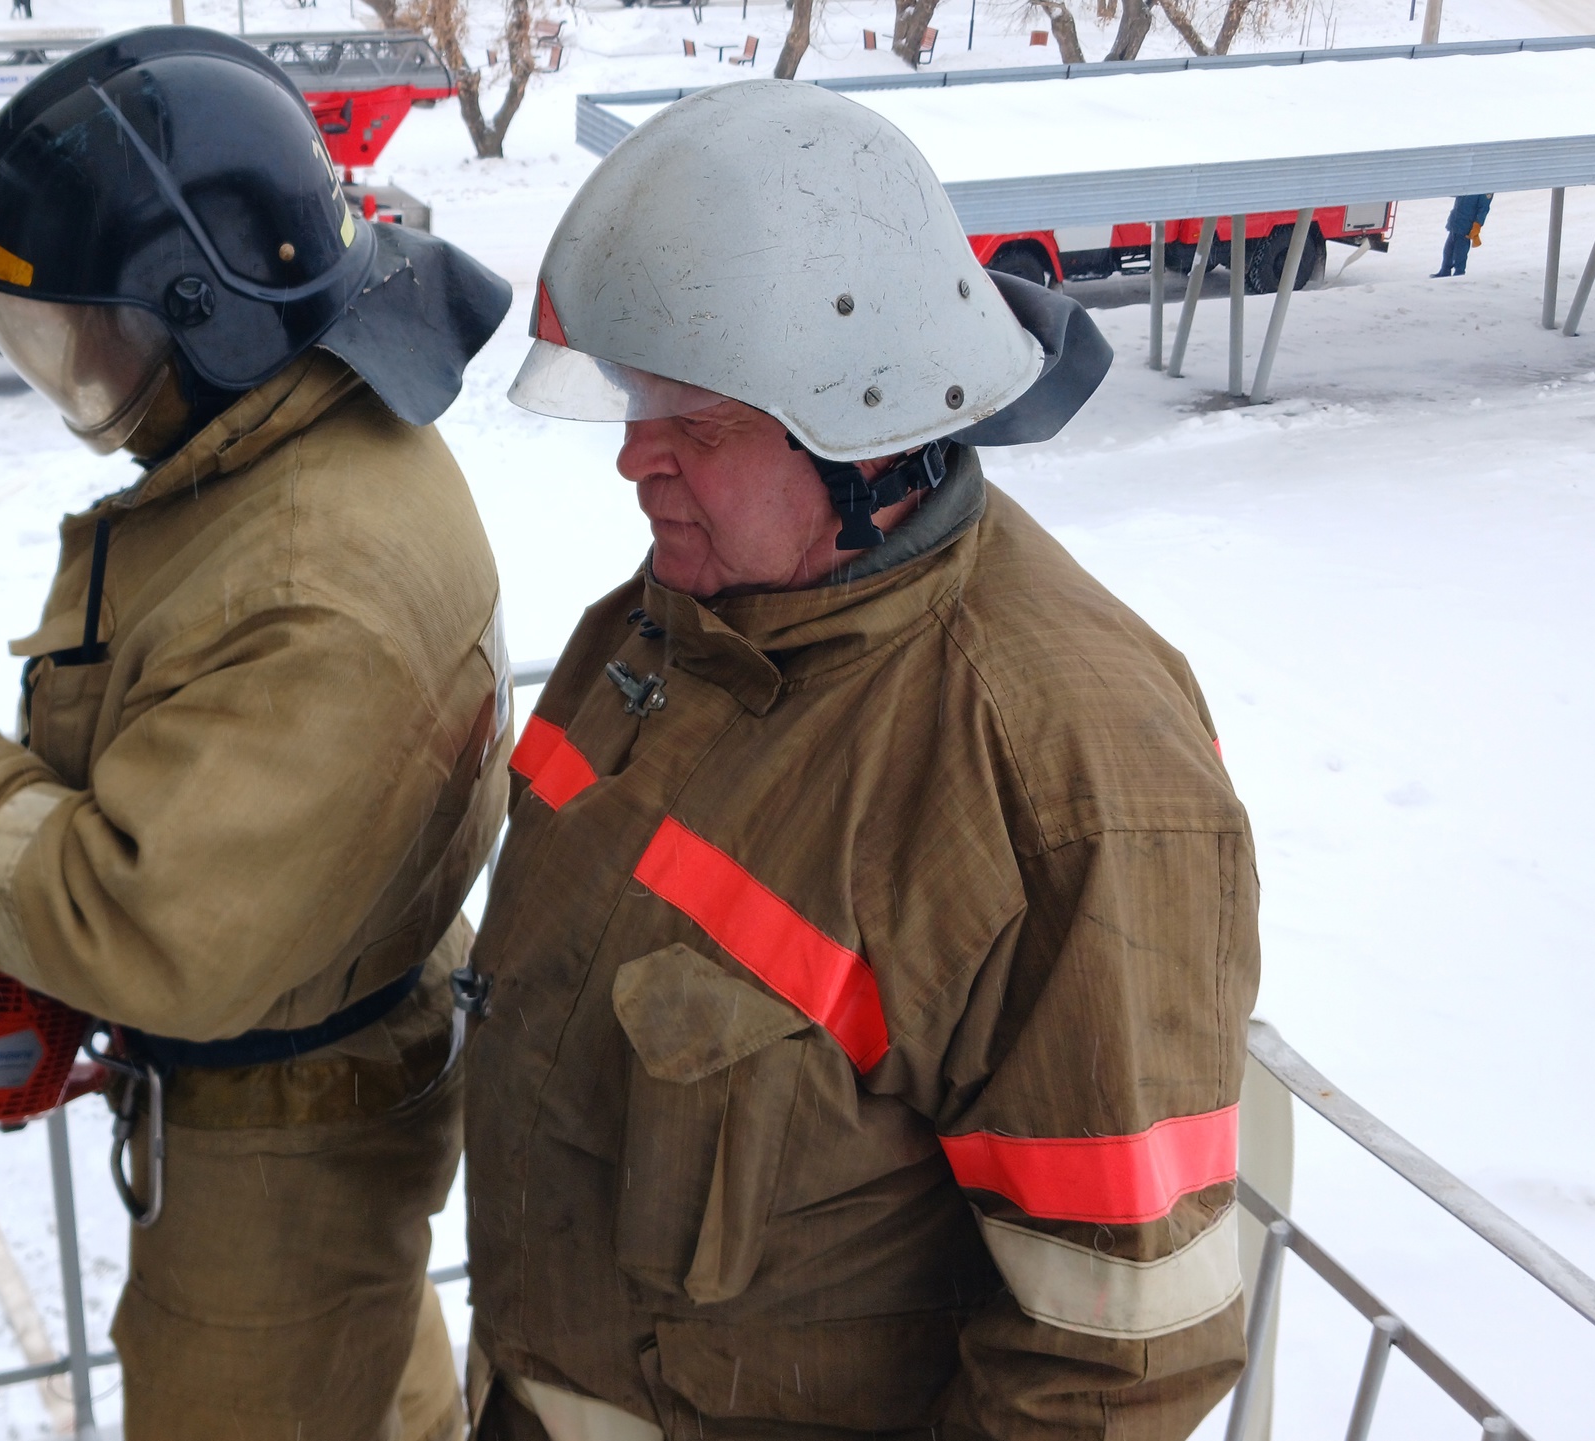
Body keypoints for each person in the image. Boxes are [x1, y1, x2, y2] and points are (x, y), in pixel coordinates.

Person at [462, 79, 1261, 1441]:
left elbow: (1114, 1362)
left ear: (866, 434)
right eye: (634, 399)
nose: (633, 460)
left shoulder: (1057, 773)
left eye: (692, 421)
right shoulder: (664, 626)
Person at [0, 29, 512, 1441]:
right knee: (382, 1392)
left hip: (285, 1148)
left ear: (212, 310)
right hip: (318, 1093)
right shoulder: (290, 434)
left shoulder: (304, 586)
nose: (77, 366)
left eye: (99, 330)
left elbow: (147, 926)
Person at [1437, 192, 1492, 277]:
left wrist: (1477, 225)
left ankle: (1459, 273)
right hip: (1455, 221)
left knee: (1460, 252)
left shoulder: (1485, 188)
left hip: (1466, 225)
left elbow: (1483, 209)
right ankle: (1445, 271)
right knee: (1448, 250)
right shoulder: (1467, 183)